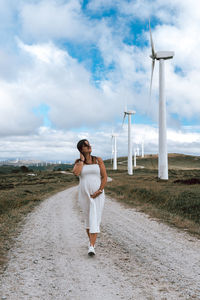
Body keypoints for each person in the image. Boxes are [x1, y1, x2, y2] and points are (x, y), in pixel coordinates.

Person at [72, 139, 107, 256]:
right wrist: (81, 161)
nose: (89, 146)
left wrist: (100, 190)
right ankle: (91, 242)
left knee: (95, 218)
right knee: (88, 219)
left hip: (98, 195)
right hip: (84, 195)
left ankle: (91, 246)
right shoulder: (78, 162)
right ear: (81, 149)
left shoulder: (98, 160)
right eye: (86, 145)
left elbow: (104, 177)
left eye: (89, 144)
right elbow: (76, 173)